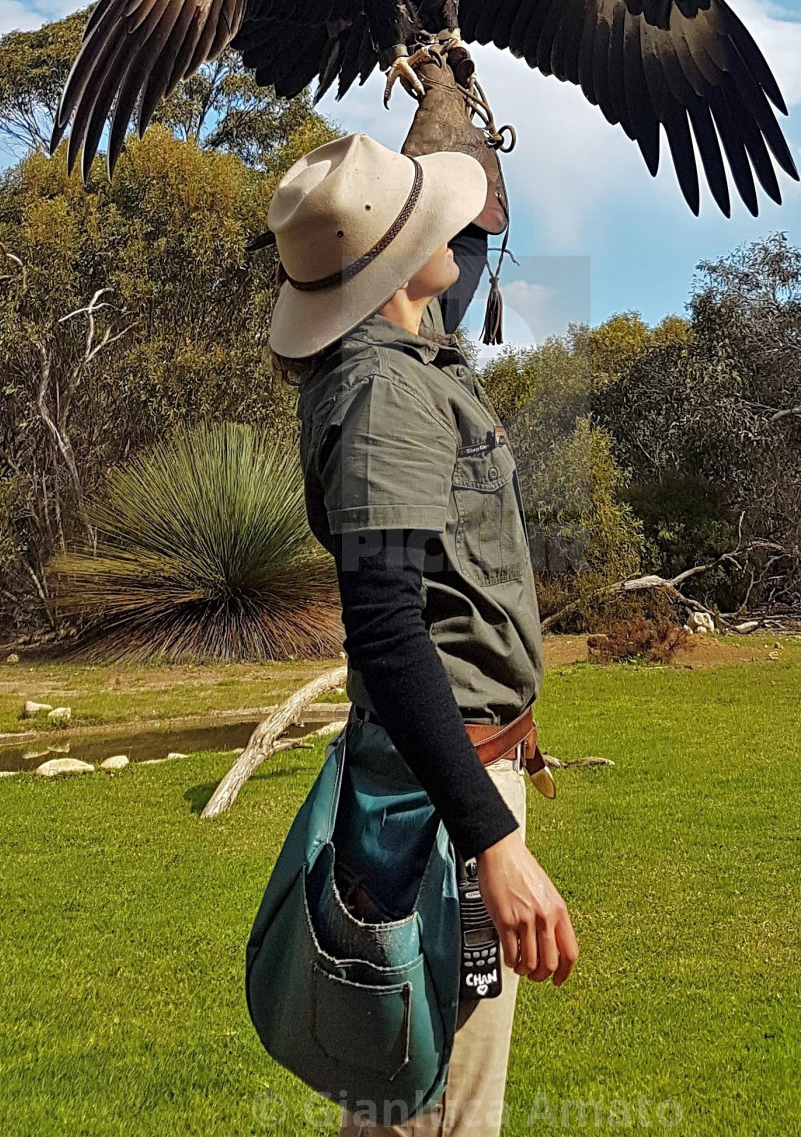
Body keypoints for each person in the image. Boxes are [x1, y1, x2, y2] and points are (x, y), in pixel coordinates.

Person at [266, 132, 579, 1136]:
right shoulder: (388, 390)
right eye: (421, 217)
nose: (454, 228)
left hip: (442, 772)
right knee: (432, 1112)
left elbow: (462, 253)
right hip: (438, 797)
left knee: (413, 1100)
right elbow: (387, 629)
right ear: (398, 263)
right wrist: (491, 842)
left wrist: (461, 112)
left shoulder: (406, 351)